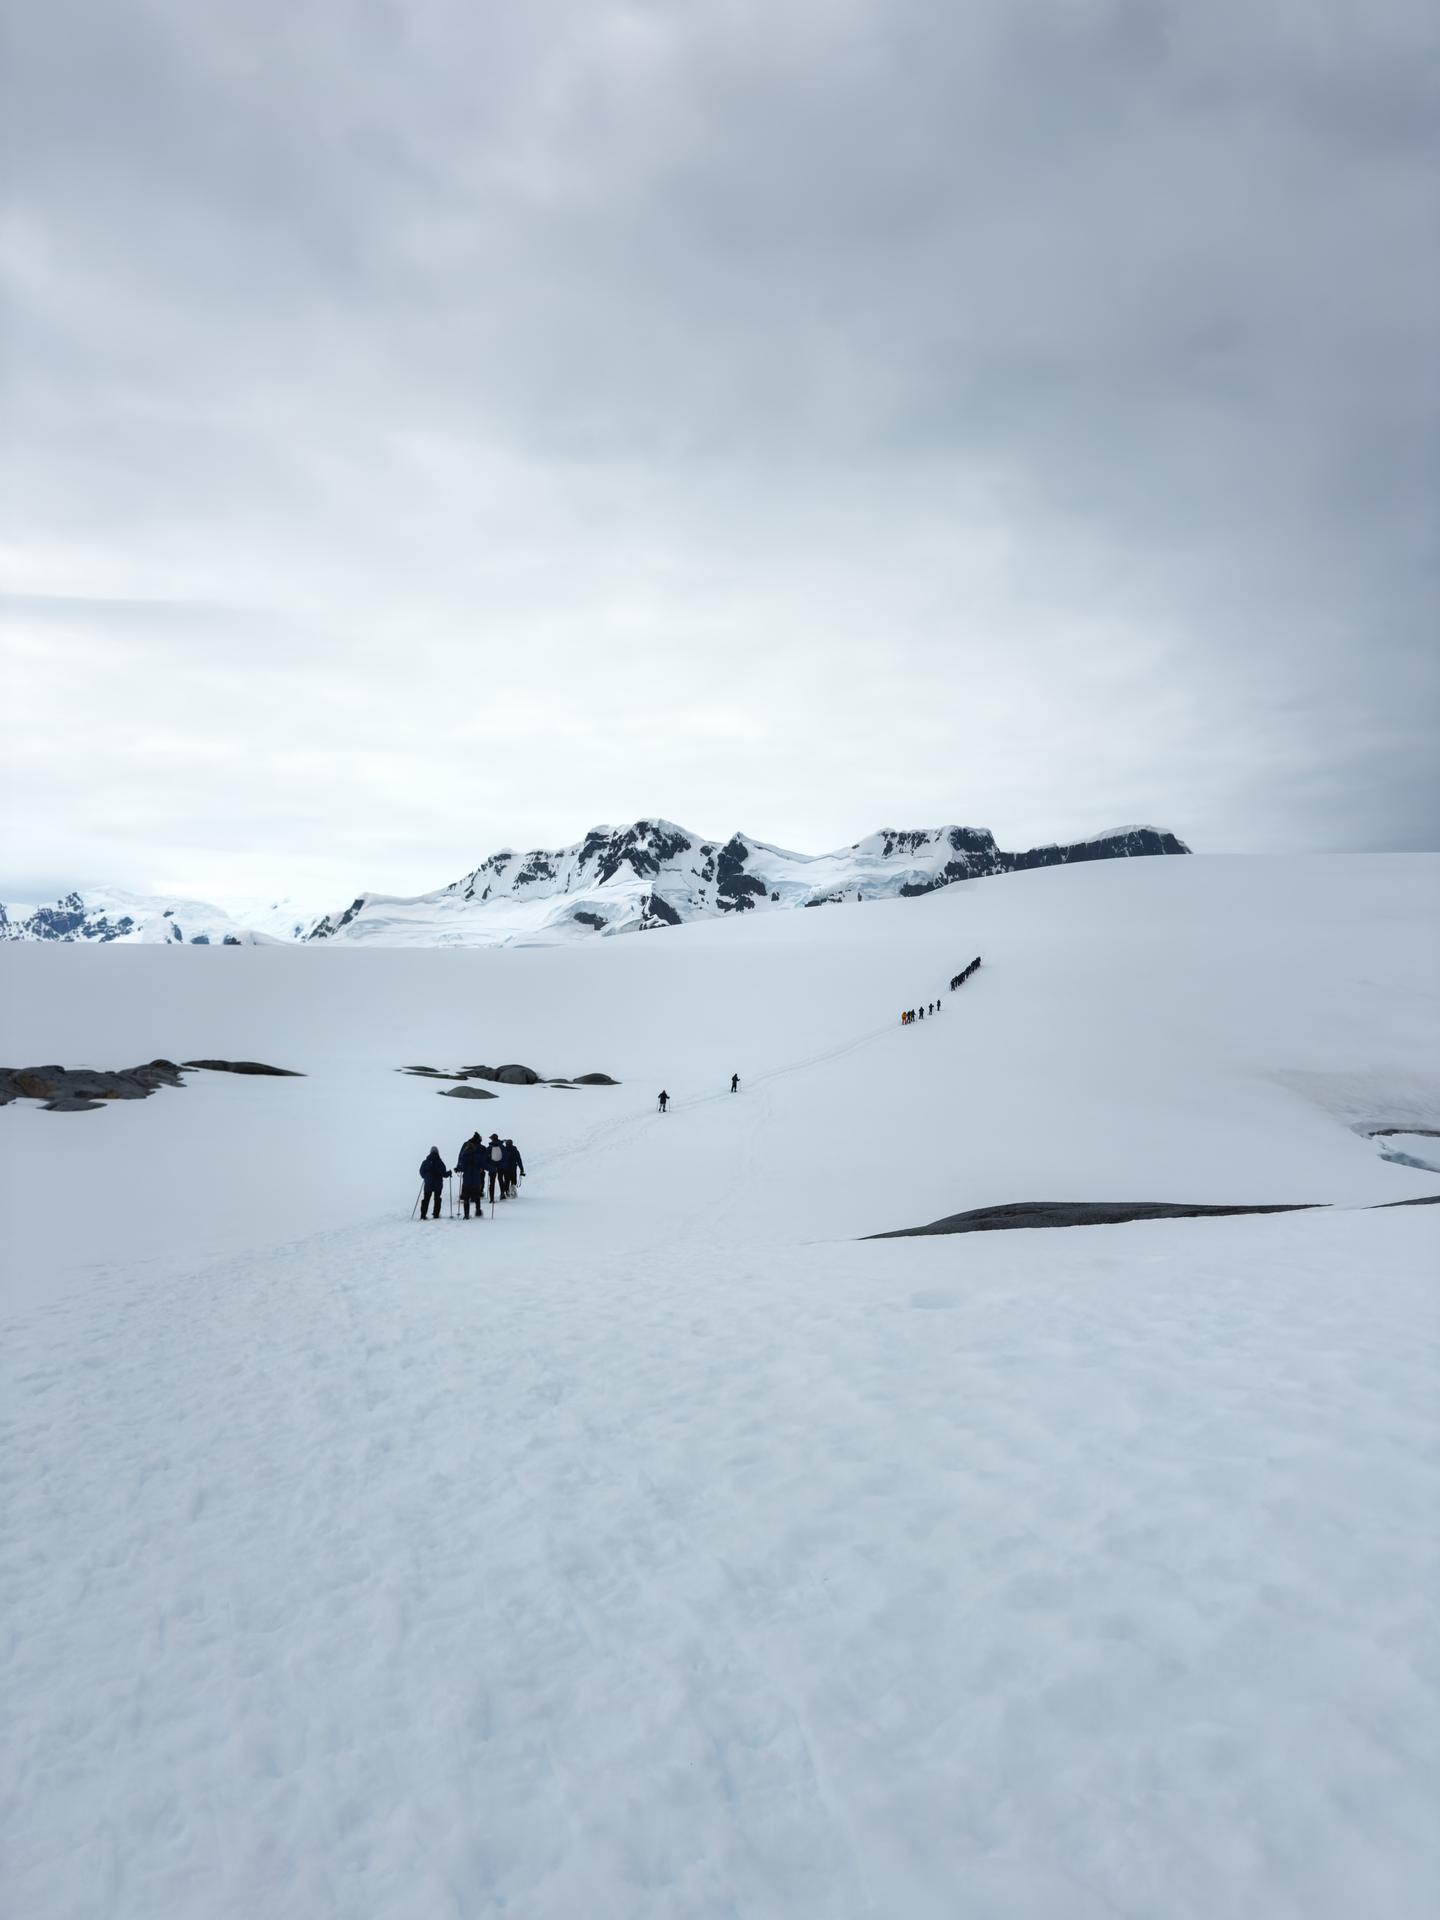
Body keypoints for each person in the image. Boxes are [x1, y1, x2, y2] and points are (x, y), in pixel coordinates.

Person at [456, 1131, 485, 1219]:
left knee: (466, 1196)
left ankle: (466, 1215)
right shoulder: (479, 1152)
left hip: (467, 1179)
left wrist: (458, 1167)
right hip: (476, 1177)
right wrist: (493, 1169)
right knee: (477, 1193)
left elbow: (461, 1159)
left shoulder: (465, 1151)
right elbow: (484, 1163)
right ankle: (478, 1210)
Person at [418, 1145, 449, 1220]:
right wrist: (449, 1173)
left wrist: (425, 1176)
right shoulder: (440, 1162)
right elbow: (444, 1173)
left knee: (426, 1199)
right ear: (438, 1152)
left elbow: (421, 1171)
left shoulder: (425, 1162)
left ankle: (423, 1215)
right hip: (438, 1184)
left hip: (428, 1183)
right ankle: (436, 1214)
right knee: (437, 1198)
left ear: (430, 1152)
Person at [486, 1132, 506, 1203]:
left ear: (492, 1139)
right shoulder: (502, 1147)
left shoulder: (489, 1147)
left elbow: (486, 1157)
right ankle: (502, 1194)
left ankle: (491, 1198)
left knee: (492, 1182)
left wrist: (487, 1166)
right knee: (500, 1179)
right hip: (501, 1165)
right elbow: (505, 1156)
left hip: (492, 1166)